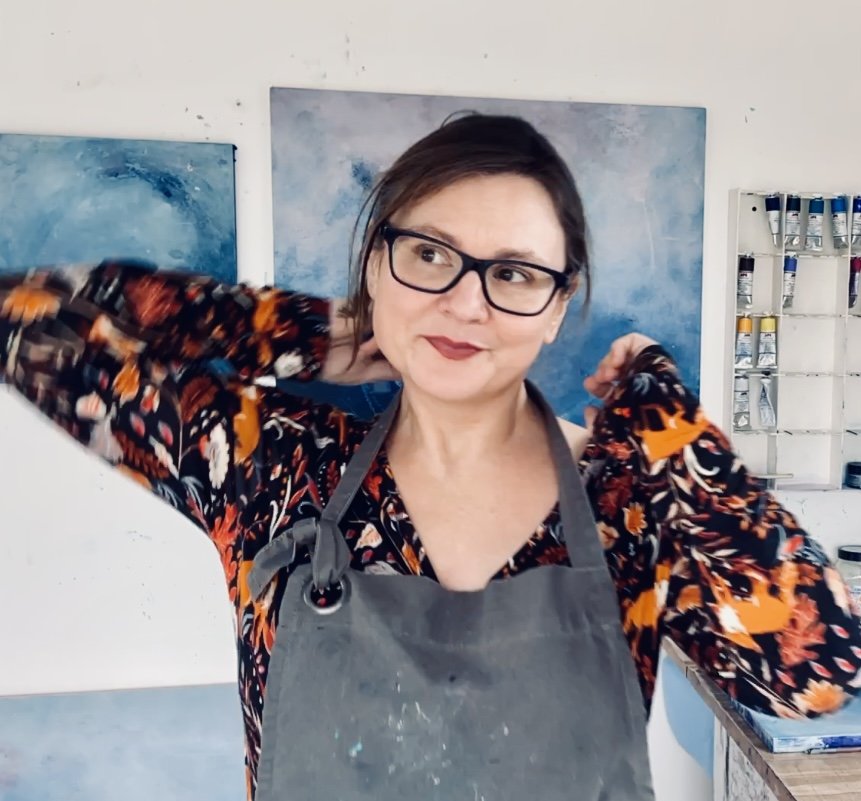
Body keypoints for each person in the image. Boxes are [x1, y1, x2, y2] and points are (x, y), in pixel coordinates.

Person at [1, 114, 859, 801]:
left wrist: (664, 420)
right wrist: (314, 334)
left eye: (515, 273)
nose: (462, 302)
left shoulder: (625, 500)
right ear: (376, 264)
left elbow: (810, 676)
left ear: (558, 308)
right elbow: (29, 323)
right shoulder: (273, 464)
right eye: (428, 255)